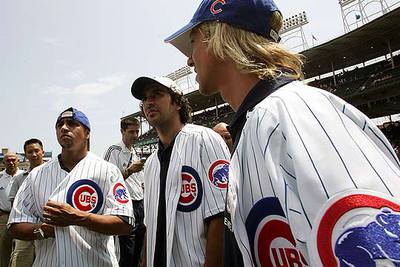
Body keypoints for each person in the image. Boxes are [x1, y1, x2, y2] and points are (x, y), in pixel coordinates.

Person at [165, 0, 400, 266]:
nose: (189, 58)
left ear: (217, 37)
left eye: (193, 42)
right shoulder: (257, 124)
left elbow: (379, 251)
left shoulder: (294, 111)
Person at [8, 107, 134, 267]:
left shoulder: (107, 170)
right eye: (60, 124)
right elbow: (15, 225)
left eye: (72, 123)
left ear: (87, 133)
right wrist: (44, 230)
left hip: (96, 262)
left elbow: (125, 224)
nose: (64, 128)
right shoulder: (37, 174)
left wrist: (78, 217)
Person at [131, 76, 230, 267]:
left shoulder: (205, 140)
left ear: (177, 102)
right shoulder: (151, 163)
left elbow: (221, 216)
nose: (149, 102)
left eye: (157, 95)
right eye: (145, 98)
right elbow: (149, 227)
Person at [104, 117, 145, 267]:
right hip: (124, 206)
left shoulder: (135, 153)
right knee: (126, 250)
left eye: (137, 131)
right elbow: (107, 182)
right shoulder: (114, 150)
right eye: (131, 132)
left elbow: (139, 182)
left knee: (138, 249)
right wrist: (129, 170)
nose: (135, 135)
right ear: (122, 131)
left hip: (140, 204)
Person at [8, 138, 45, 267]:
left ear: (43, 152)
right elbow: (14, 203)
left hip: (48, 229)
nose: (34, 154)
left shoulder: (55, 175)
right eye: (30, 152)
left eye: (36, 151)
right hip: (25, 229)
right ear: (25, 155)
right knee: (21, 261)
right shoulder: (19, 179)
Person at [0, 152, 23, 267]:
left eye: (13, 160)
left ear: (18, 161)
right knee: (4, 246)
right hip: (4, 216)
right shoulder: (0, 177)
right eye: (8, 160)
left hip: (22, 217)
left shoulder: (25, 175)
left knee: (21, 247)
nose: (11, 162)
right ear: (3, 162)